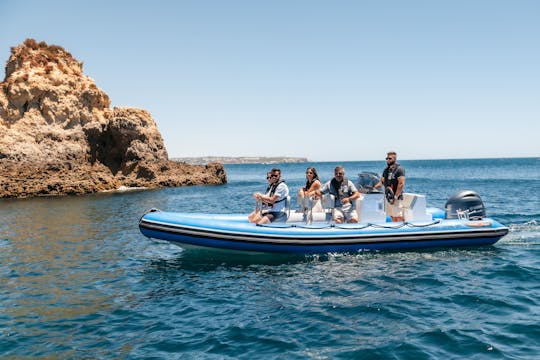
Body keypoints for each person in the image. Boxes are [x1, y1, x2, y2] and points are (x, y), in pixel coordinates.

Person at [373, 151, 406, 222]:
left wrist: (396, 197)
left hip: (396, 197)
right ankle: (395, 231)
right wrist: (373, 188)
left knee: (398, 216)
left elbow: (401, 183)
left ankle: (401, 232)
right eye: (387, 158)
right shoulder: (386, 170)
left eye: (390, 158)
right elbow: (382, 181)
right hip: (388, 197)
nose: (388, 160)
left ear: (394, 159)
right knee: (392, 215)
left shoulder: (399, 169)